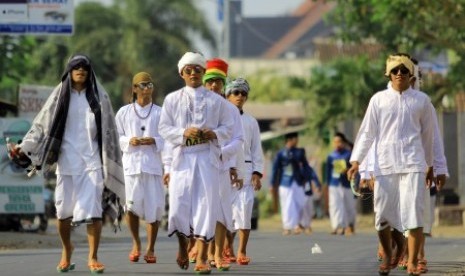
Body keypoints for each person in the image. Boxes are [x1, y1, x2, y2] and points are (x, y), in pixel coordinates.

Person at [12, 54, 125, 274]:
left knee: (93, 211)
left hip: (92, 162)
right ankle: (66, 250)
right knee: (63, 214)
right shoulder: (60, 96)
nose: (80, 70)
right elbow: (42, 123)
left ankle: (93, 257)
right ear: (69, 71)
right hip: (66, 161)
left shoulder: (100, 96)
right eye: (76, 66)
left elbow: (110, 130)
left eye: (84, 67)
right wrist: (25, 146)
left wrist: (110, 160)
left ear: (89, 71)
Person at [347, 54, 435, 276]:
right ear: (388, 73)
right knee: (383, 217)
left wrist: (430, 165)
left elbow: (428, 136)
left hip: (414, 164)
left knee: (414, 213)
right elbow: (367, 132)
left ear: (410, 74)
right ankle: (388, 252)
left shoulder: (422, 101)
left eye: (404, 71)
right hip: (385, 165)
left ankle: (413, 261)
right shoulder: (378, 100)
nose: (399, 74)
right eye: (394, 70)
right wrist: (356, 161)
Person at [158, 52, 235, 274]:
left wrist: (213, 133)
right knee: (177, 207)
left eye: (197, 70)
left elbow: (228, 127)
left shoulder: (217, 101)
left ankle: (201, 257)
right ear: (182, 73)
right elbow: (163, 128)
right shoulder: (172, 99)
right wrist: (183, 132)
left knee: (205, 207)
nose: (193, 73)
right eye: (188, 70)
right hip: (182, 159)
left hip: (207, 158)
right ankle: (183, 247)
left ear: (203, 72)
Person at [115, 72, 164, 264]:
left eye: (150, 85)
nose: (147, 88)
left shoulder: (161, 112)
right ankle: (136, 243)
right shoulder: (124, 112)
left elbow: (169, 138)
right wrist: (129, 140)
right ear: (134, 88)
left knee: (155, 208)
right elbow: (116, 137)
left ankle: (151, 247)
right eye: (143, 85)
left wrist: (154, 140)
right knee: (131, 207)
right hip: (132, 166)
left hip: (153, 166)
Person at [202, 58, 245, 270]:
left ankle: (218, 254)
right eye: (210, 81)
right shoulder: (195, 106)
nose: (213, 86)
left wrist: (223, 155)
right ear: (204, 82)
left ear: (223, 84)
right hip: (199, 165)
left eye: (218, 81)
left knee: (220, 210)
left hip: (221, 166)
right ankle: (204, 253)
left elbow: (239, 140)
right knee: (204, 211)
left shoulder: (231, 110)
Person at [225, 78, 264, 265]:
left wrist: (257, 173)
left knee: (245, 210)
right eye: (235, 92)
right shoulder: (220, 119)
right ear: (228, 95)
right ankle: (227, 247)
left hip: (246, 171)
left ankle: (241, 251)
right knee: (226, 213)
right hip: (224, 170)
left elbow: (256, 149)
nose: (239, 96)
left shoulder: (251, 122)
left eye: (243, 93)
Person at [270, 132, 311, 235]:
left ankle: (298, 224)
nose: (297, 141)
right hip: (285, 182)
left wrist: (307, 179)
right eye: (295, 139)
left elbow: (306, 166)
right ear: (290, 140)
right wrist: (272, 184)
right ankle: (288, 226)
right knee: (287, 204)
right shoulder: (280, 153)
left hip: (298, 182)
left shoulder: (300, 152)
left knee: (301, 203)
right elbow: (275, 169)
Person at [326, 132, 356, 236]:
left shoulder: (348, 154)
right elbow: (328, 172)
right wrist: (327, 184)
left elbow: (354, 169)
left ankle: (350, 225)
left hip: (346, 184)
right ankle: (336, 227)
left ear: (343, 143)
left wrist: (346, 170)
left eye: (339, 142)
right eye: (335, 142)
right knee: (335, 206)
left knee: (349, 206)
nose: (337, 144)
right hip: (334, 184)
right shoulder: (331, 156)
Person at [299, 162, 321, 235]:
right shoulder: (294, 166)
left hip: (307, 191)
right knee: (300, 208)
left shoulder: (308, 168)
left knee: (308, 209)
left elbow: (314, 177)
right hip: (297, 190)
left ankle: (307, 225)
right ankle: (300, 225)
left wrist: (318, 185)